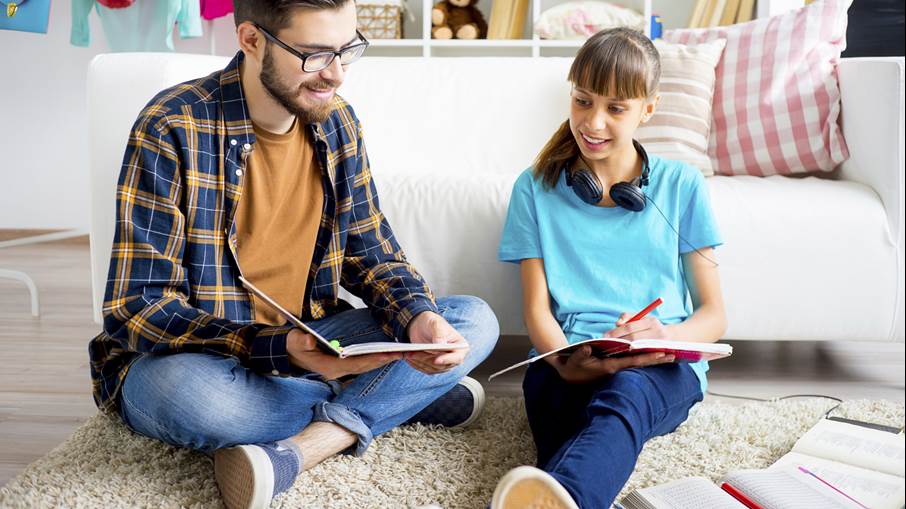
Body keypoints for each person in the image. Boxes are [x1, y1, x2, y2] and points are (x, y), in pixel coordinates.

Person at [87, 1, 499, 508]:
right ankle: (399, 398)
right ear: (252, 39)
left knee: (473, 320)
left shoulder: (337, 122)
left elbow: (371, 253)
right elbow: (138, 306)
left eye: (347, 49)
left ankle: (309, 446)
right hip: (207, 360)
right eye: (314, 54)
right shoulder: (171, 126)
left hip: (315, 339)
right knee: (192, 399)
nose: (337, 74)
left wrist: (419, 317)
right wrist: (275, 348)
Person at [490, 27, 727, 509]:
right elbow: (537, 311)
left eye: (616, 108)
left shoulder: (682, 185)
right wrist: (562, 362)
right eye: (582, 101)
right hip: (566, 358)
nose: (593, 122)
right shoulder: (533, 189)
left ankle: (570, 497)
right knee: (558, 406)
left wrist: (664, 335)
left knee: (626, 393)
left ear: (648, 109)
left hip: (659, 368)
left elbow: (714, 314)